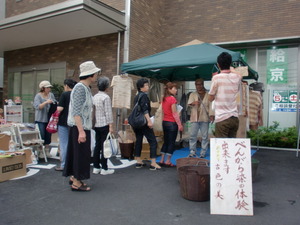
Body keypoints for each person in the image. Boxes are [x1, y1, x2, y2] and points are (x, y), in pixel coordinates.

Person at [63, 61, 100, 192]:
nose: (97, 75)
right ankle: (77, 182)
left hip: (81, 127)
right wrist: (81, 132)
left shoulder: (84, 88)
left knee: (77, 153)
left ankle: (75, 177)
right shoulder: (80, 88)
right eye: (96, 73)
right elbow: (76, 112)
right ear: (90, 75)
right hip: (80, 127)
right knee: (81, 154)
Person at [208, 52, 242, 138]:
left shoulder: (216, 78)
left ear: (218, 65)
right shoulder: (236, 77)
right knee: (231, 146)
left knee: (222, 148)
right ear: (230, 64)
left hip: (222, 118)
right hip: (234, 117)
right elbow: (240, 75)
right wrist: (232, 69)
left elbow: (210, 98)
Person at [133, 78, 161, 170]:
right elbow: (145, 110)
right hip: (144, 122)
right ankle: (153, 163)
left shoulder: (137, 96)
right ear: (141, 87)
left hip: (136, 123)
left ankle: (138, 161)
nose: (148, 86)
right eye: (146, 85)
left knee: (139, 140)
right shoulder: (144, 96)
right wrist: (149, 121)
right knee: (152, 141)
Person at [92, 76, 115, 175]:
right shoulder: (106, 97)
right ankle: (104, 168)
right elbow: (108, 113)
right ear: (106, 87)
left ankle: (96, 167)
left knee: (97, 146)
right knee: (105, 146)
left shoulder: (95, 97)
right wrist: (111, 126)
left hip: (97, 124)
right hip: (105, 124)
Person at [54, 78, 77, 171]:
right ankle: (73, 164)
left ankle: (64, 165)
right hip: (74, 122)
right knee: (72, 143)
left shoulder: (65, 94)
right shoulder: (76, 94)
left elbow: (60, 109)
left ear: (66, 86)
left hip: (63, 121)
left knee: (64, 143)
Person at [188, 78, 214, 158]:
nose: (198, 86)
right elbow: (188, 104)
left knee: (205, 136)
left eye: (199, 84)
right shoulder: (193, 94)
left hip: (204, 118)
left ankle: (203, 152)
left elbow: (211, 106)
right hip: (194, 117)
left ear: (203, 84)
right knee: (192, 135)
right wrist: (193, 103)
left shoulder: (208, 94)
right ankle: (192, 151)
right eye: (196, 84)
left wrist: (212, 115)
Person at [159, 82, 183, 167]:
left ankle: (162, 159)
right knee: (171, 142)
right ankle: (168, 160)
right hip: (172, 123)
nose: (176, 90)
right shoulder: (172, 99)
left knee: (165, 141)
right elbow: (174, 113)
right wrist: (179, 124)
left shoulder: (164, 99)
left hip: (165, 122)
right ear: (169, 89)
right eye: (174, 88)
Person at [33, 80, 56, 158]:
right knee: (41, 135)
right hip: (40, 119)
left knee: (48, 135)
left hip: (49, 118)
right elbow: (37, 106)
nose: (49, 89)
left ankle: (47, 151)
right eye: (47, 87)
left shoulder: (51, 95)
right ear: (43, 88)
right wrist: (46, 102)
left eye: (49, 87)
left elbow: (54, 103)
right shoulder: (38, 96)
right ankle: (40, 151)